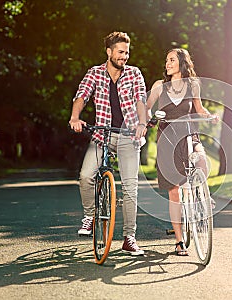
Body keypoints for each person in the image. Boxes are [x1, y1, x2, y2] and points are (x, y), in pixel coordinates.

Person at [69, 31, 147, 256]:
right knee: (86, 175)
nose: (125, 56)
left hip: (128, 135)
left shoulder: (134, 74)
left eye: (127, 52)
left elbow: (141, 99)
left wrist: (142, 122)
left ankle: (129, 237)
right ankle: (89, 216)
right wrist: (75, 118)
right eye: (121, 52)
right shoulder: (95, 73)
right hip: (101, 135)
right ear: (109, 52)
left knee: (130, 187)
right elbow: (81, 95)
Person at [147, 48, 218, 256]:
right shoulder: (160, 86)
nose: (167, 63)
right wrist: (147, 118)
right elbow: (146, 106)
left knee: (202, 159)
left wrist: (209, 116)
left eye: (171, 60)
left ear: (181, 63)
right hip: (167, 141)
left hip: (188, 135)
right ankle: (179, 241)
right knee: (174, 192)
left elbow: (198, 109)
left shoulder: (193, 84)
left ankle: (201, 195)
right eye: (166, 60)